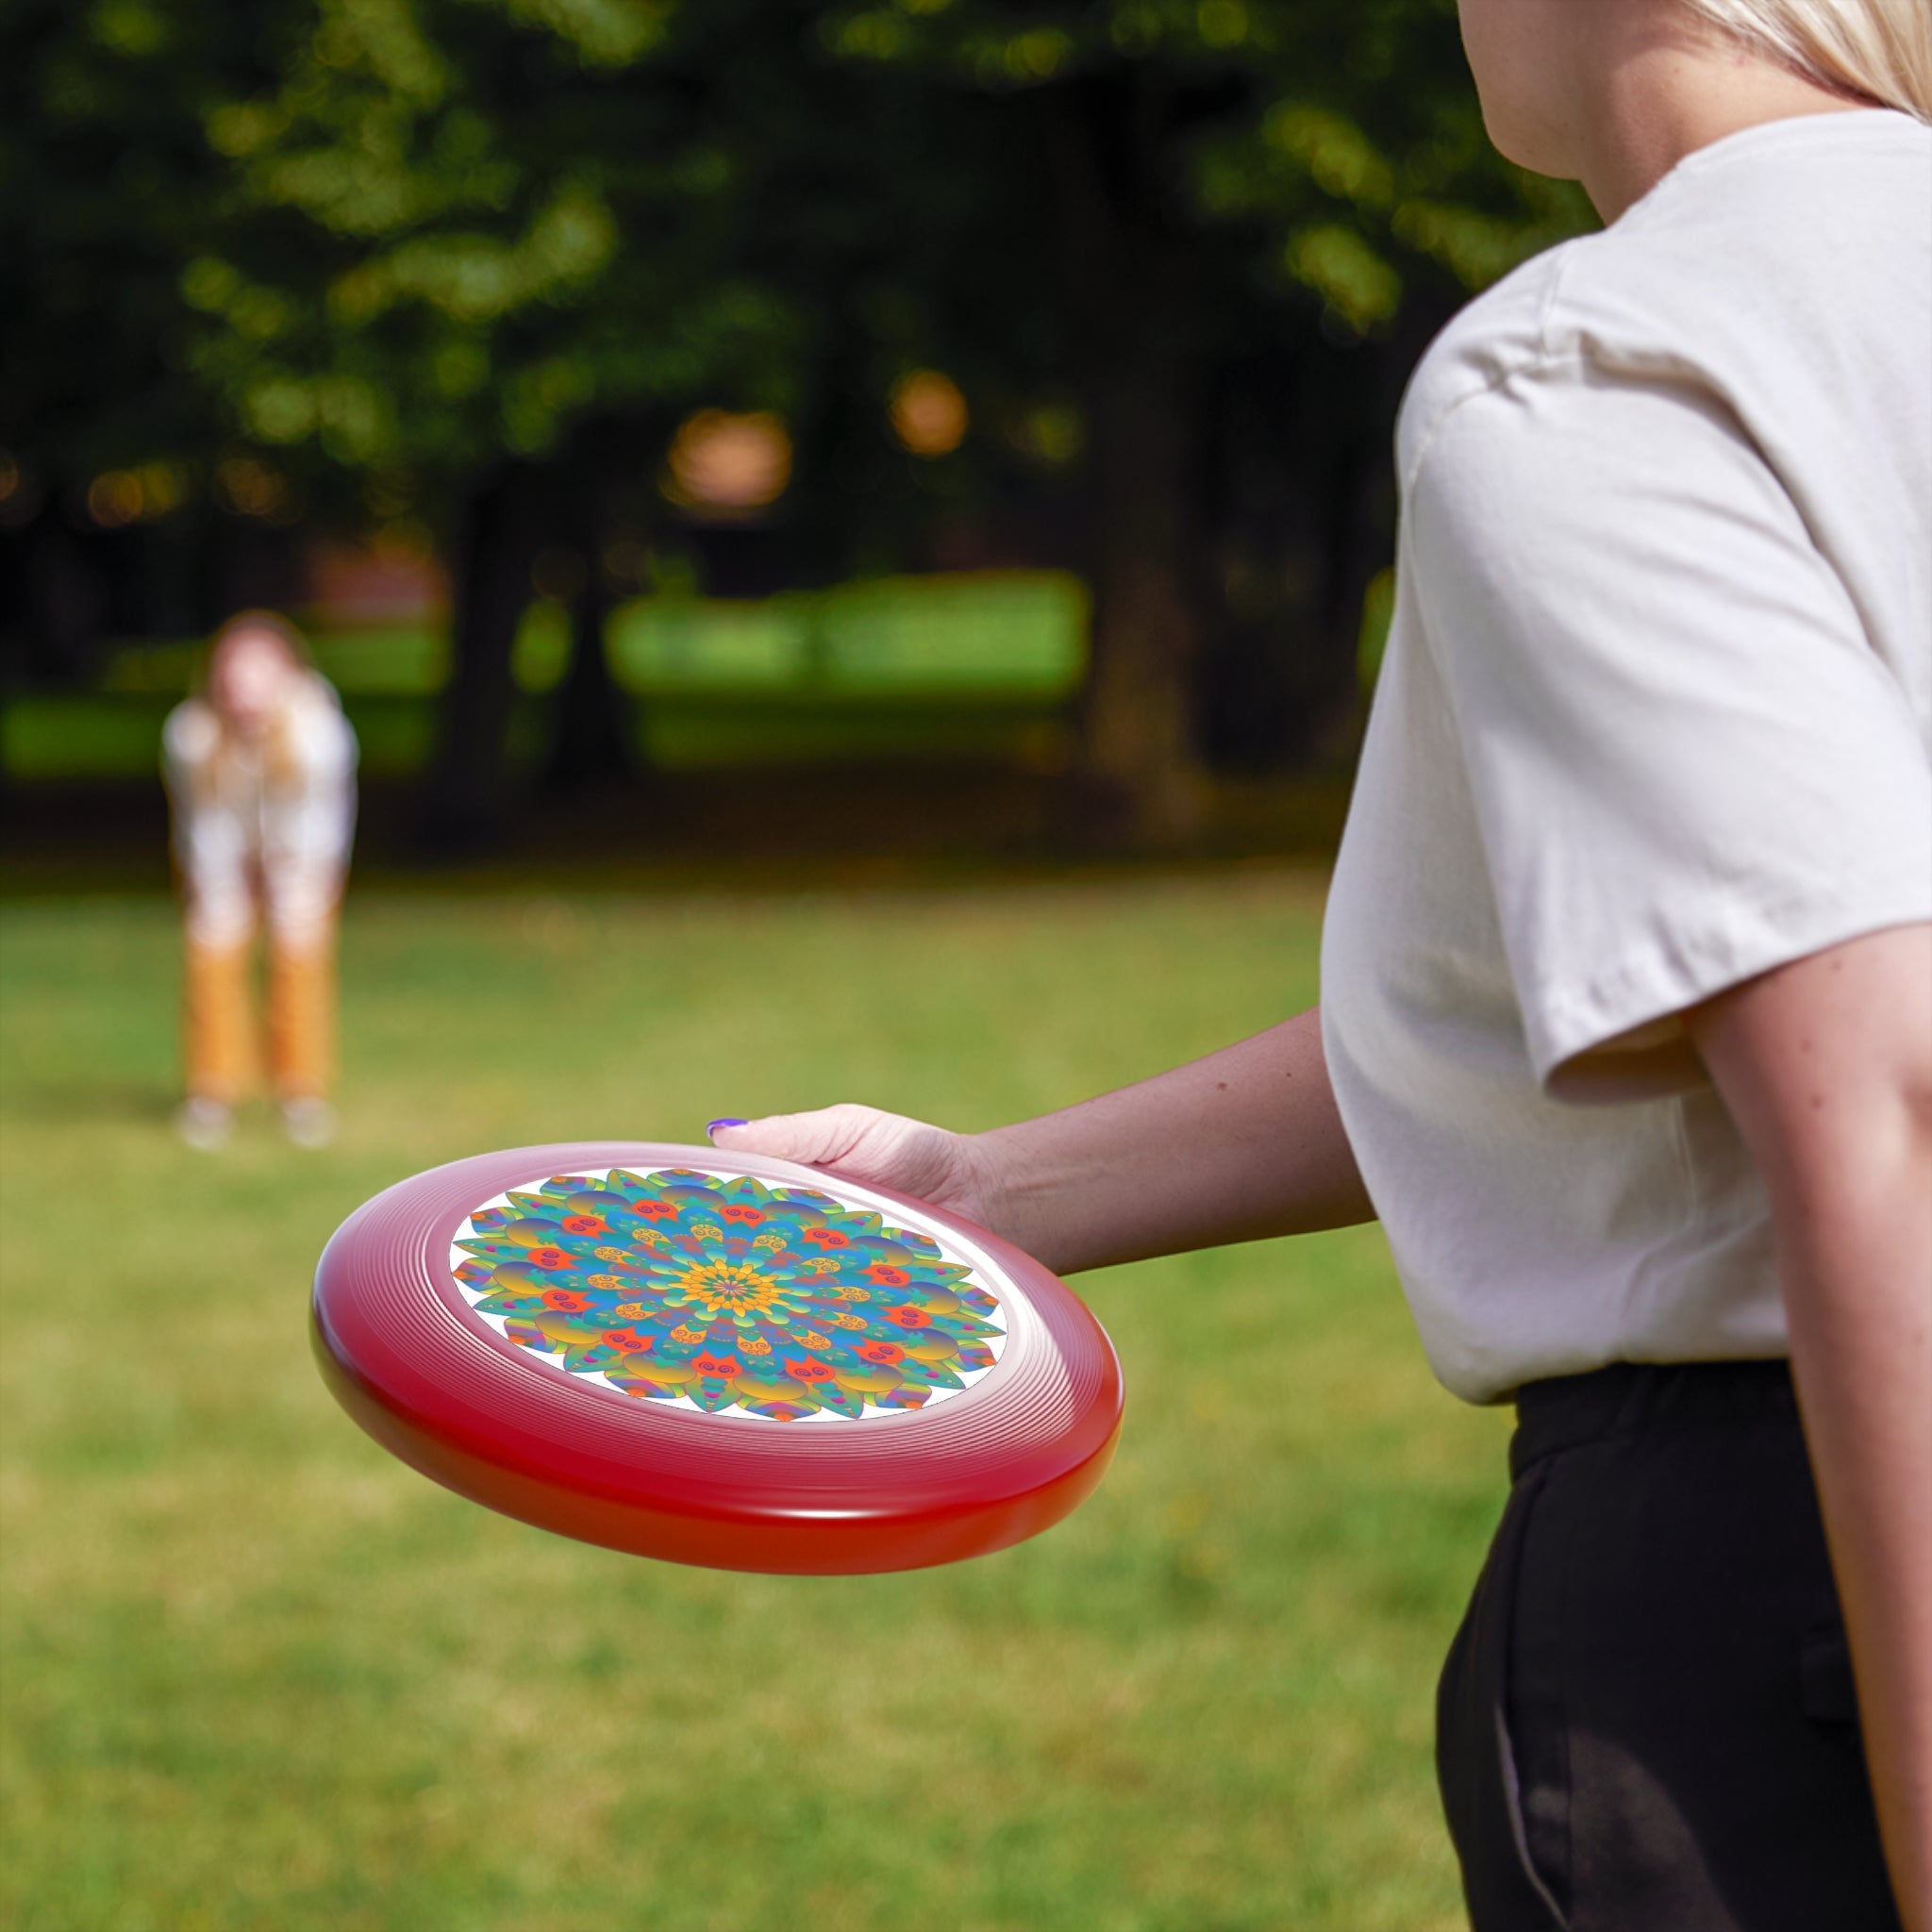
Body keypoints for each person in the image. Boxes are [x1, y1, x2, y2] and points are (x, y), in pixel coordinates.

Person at [706, 2, 1932, 1925]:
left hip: (1793, 1594)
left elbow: (1884, 1100)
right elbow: (1629, 990)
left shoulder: (1607, 361)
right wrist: (988, 1190)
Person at [162, 611, 358, 1150]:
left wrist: (287, 882)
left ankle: (301, 1092)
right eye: (234, 675)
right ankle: (212, 1091)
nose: (244, 690)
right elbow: (204, 823)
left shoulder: (319, 734)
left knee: (299, 958)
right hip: (221, 856)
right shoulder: (191, 735)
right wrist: (224, 888)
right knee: (212, 952)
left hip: (302, 858)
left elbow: (317, 824)